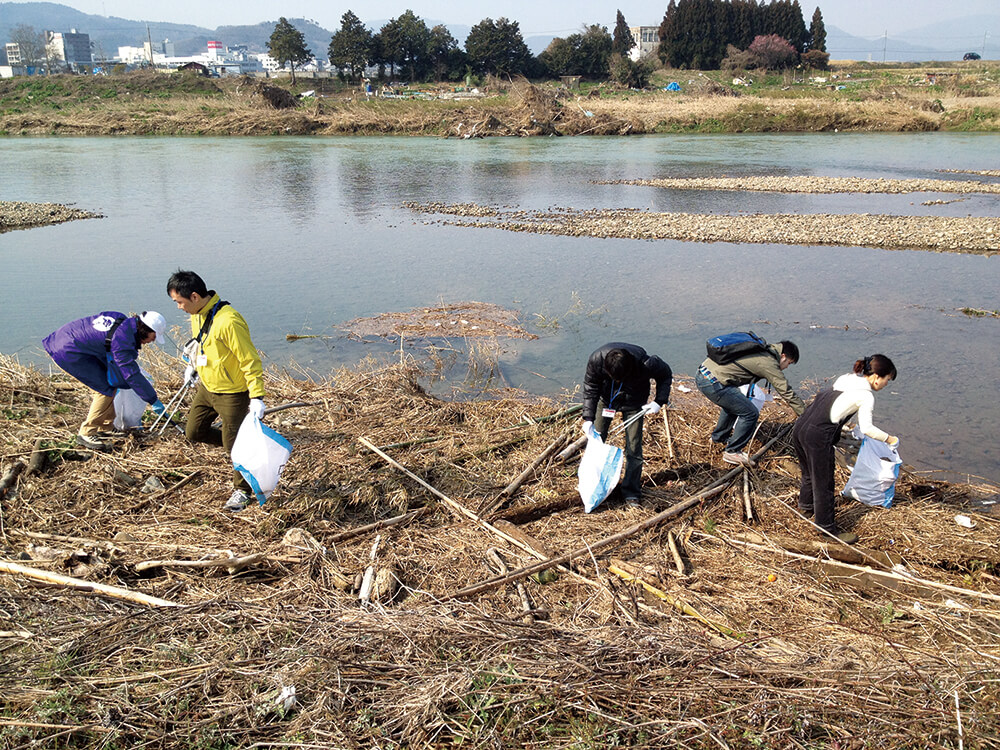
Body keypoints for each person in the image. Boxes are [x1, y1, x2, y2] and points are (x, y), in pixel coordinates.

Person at [167, 270, 265, 512]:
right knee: (194, 432)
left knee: (234, 447)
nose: (179, 307)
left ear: (195, 296)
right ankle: (242, 445)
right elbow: (203, 347)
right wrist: (193, 368)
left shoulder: (229, 321)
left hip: (233, 393)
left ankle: (243, 491)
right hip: (208, 388)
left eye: (179, 302)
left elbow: (250, 360)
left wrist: (257, 397)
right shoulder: (198, 314)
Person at [792, 355, 899, 545]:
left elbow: (835, 407)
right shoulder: (866, 396)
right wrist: (890, 439)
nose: (885, 385)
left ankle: (805, 507)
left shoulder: (846, 379)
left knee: (809, 473)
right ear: (876, 377)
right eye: (887, 380)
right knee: (824, 482)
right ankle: (827, 530)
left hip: (800, 427)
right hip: (817, 435)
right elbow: (867, 429)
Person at [42, 310, 167, 451]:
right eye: (154, 336)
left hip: (64, 338)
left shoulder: (121, 321)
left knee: (109, 383)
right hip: (68, 351)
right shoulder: (123, 342)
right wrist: (153, 399)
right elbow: (132, 375)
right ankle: (87, 432)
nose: (153, 340)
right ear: (145, 330)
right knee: (104, 389)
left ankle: (105, 426)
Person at [581, 343, 673, 505]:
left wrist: (659, 401)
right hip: (607, 401)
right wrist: (588, 418)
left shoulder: (646, 363)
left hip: (634, 402)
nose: (616, 380)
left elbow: (665, 375)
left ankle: (631, 491)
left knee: (634, 446)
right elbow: (591, 387)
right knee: (596, 441)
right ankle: (593, 484)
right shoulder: (597, 360)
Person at [696, 338, 805, 466]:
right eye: (788, 363)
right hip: (712, 382)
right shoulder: (768, 362)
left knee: (734, 405)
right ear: (783, 356)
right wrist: (806, 414)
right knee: (750, 413)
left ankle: (718, 439)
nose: (786, 367)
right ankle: (732, 451)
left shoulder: (764, 349)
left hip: (704, 373)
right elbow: (786, 391)